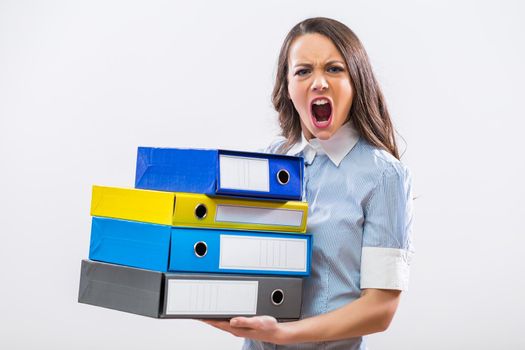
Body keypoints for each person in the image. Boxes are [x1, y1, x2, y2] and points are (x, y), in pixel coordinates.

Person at [204, 17, 414, 350]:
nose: (319, 82)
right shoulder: (267, 161)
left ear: (355, 81)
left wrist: (282, 333)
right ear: (287, 87)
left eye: (334, 69)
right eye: (303, 71)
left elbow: (381, 308)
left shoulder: (383, 175)